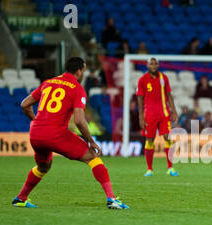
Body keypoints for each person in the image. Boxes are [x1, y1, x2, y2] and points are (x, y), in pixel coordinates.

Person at [13, 57, 129, 209]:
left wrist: (36, 121)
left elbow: (25, 104)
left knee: (43, 167)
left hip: (35, 133)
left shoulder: (48, 82)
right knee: (92, 157)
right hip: (56, 134)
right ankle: (111, 199)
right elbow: (80, 121)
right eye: (84, 70)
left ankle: (20, 198)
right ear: (79, 71)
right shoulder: (77, 88)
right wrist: (91, 142)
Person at [136, 58, 179, 177]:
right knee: (149, 140)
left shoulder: (163, 78)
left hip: (164, 114)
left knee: (167, 138)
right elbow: (139, 98)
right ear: (147, 65)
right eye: (151, 64)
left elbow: (169, 95)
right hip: (149, 115)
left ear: (158, 65)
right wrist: (140, 116)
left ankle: (170, 167)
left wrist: (174, 111)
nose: (154, 66)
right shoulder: (142, 80)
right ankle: (149, 169)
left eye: (155, 64)